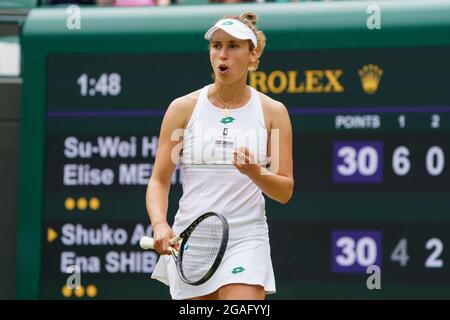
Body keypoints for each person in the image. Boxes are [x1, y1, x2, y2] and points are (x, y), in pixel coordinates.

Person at [147, 12, 293, 300]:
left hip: (246, 238)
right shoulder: (182, 109)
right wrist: (160, 224)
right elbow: (159, 181)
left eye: (233, 46)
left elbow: (285, 190)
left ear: (254, 55)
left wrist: (255, 172)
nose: (222, 54)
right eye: (216, 45)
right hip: (191, 240)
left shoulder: (274, 112)